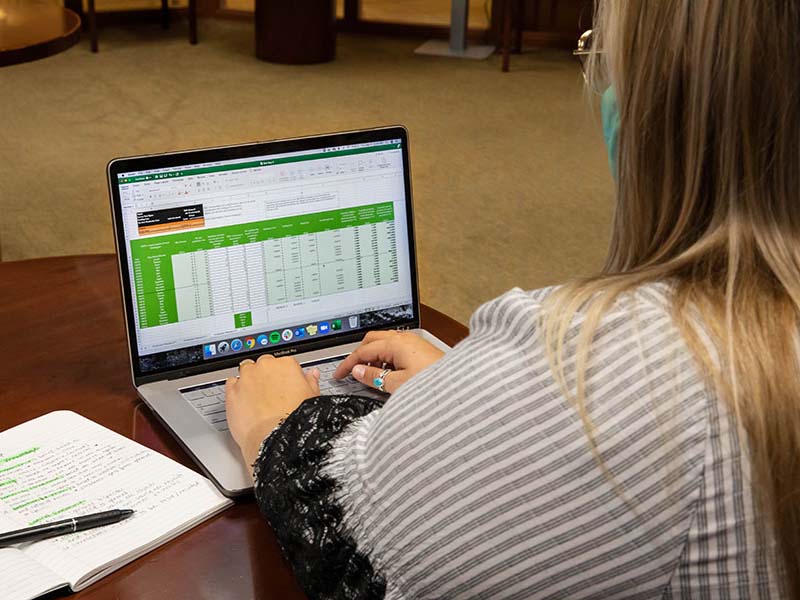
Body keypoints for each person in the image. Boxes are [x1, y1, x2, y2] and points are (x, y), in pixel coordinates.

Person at [226, 0, 799, 597]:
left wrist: (275, 426)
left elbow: (344, 543)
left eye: (603, 60)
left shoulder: (600, 364)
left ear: (654, 110)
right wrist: (478, 399)